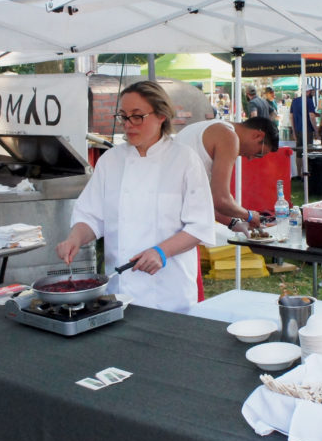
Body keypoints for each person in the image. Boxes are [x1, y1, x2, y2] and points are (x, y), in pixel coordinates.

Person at [57, 81, 215, 313]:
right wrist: (75, 239)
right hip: (119, 290)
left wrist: (161, 251)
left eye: (137, 116)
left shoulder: (184, 160)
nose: (128, 125)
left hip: (170, 292)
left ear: (161, 115)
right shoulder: (110, 160)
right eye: (123, 116)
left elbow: (200, 227)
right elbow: (90, 217)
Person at [175, 116, 279, 231]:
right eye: (258, 153)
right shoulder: (228, 137)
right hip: (175, 218)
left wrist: (233, 223)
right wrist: (249, 215)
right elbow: (221, 200)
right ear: (257, 135)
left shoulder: (206, 127)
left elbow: (205, 200)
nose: (250, 158)